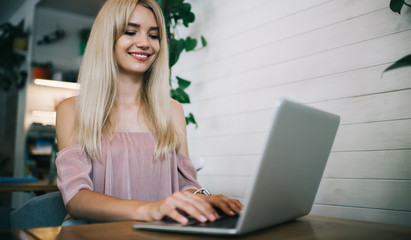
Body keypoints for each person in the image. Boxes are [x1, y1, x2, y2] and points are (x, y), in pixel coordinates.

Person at [55, 0, 242, 226]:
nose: (144, 43)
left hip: (160, 232)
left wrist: (203, 200)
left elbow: (187, 184)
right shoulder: (72, 109)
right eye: (131, 32)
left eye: (153, 36)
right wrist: (151, 209)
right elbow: (76, 198)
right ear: (107, 38)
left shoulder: (172, 110)